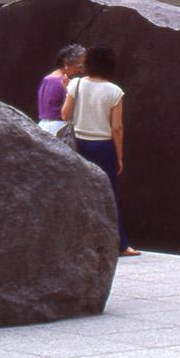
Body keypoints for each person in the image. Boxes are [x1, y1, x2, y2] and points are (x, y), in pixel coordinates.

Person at [61, 46, 138, 257]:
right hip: (104, 146)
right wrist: (120, 156)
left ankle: (76, 240)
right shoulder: (114, 91)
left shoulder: (76, 84)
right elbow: (117, 128)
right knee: (110, 194)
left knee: (79, 192)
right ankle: (121, 244)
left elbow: (65, 115)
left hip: (79, 144)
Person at [36, 44, 84, 134]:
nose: (82, 71)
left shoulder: (47, 79)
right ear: (66, 63)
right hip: (59, 130)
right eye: (80, 66)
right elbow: (70, 113)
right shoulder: (65, 83)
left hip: (42, 127)